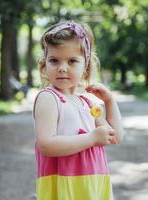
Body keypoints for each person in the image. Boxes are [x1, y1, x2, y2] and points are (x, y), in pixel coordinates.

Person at [33, 20, 124, 200]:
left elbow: (115, 137)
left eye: (72, 61)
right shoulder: (49, 98)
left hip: (92, 186)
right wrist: (91, 138)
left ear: (86, 66)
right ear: (45, 63)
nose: (62, 68)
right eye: (54, 60)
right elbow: (46, 145)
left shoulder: (87, 103)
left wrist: (110, 101)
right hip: (65, 186)